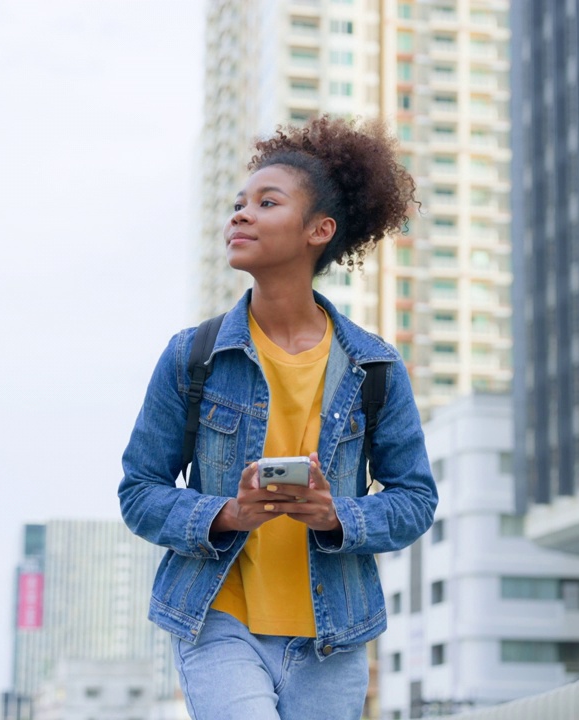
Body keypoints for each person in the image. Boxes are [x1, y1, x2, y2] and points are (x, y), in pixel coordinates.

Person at [118, 114, 437, 720]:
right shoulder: (193, 356)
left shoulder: (375, 367)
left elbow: (415, 499)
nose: (240, 214)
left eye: (266, 203)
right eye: (239, 203)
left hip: (332, 635)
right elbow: (139, 492)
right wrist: (226, 513)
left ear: (320, 230)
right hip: (217, 617)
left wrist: (335, 515)